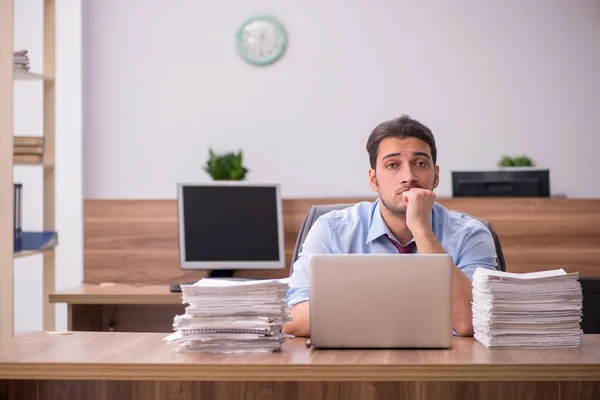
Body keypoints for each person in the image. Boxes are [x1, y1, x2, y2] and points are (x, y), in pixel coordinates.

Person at [283, 115, 498, 338]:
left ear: (436, 177)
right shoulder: (330, 230)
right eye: (392, 165)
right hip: (354, 366)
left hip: (446, 367)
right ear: (373, 179)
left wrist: (421, 229)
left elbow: (471, 323)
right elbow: (294, 317)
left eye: (420, 164)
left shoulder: (471, 235)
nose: (409, 177)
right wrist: (403, 314)